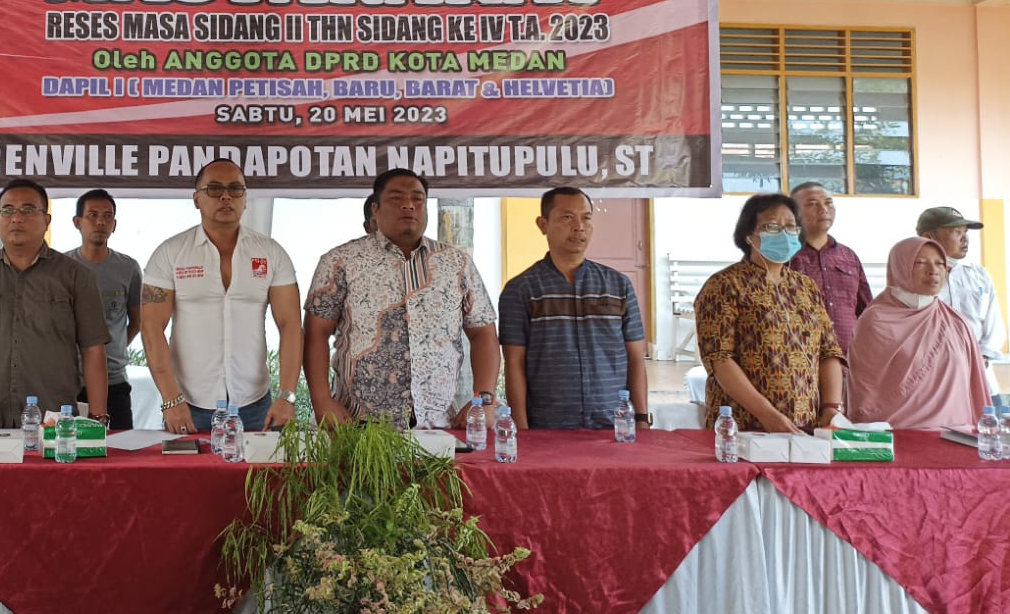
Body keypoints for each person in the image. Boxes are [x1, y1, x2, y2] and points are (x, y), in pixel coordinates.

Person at [305, 169, 498, 429]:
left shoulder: (456, 263)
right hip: (358, 425)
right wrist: (321, 401)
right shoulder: (341, 261)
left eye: (417, 198)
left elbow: (483, 332)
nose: (408, 205)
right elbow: (315, 334)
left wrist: (484, 399)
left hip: (436, 425)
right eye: (396, 198)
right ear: (375, 209)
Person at [141, 160, 302, 435]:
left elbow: (290, 326)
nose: (226, 197)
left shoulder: (272, 253)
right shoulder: (170, 253)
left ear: (245, 199)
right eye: (214, 189)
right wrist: (170, 399)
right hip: (188, 404)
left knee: (260, 467)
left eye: (235, 189)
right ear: (196, 199)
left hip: (255, 404)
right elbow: (151, 327)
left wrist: (287, 395)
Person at [0, 179, 109, 429]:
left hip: (53, 426)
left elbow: (93, 350)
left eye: (28, 209)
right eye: (7, 210)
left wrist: (98, 419)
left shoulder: (76, 277)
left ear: (46, 221)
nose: (16, 218)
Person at [498, 187, 648, 429]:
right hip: (547, 427)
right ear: (543, 225)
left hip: (614, 425)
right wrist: (522, 429)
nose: (579, 227)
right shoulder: (521, 289)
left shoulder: (618, 285)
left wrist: (641, 419)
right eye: (567, 217)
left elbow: (635, 357)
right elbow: (514, 363)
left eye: (586, 218)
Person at [695, 193, 845, 433]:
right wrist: (767, 415)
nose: (784, 234)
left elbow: (829, 351)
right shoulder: (725, 285)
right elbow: (719, 358)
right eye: (772, 227)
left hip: (806, 425)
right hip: (743, 426)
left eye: (791, 227)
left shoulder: (805, 287)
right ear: (748, 235)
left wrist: (830, 407)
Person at [846, 237, 989, 430]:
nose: (933, 271)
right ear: (900, 268)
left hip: (953, 436)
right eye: (920, 263)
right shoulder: (876, 321)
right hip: (894, 438)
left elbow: (973, 388)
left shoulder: (956, 323)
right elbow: (865, 391)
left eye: (940, 264)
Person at [66, 188, 142, 431]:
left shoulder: (128, 268)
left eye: (107, 216)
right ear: (78, 222)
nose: (100, 222)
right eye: (93, 215)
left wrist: (115, 346)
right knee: (69, 447)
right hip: (70, 381)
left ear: (114, 225)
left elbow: (137, 321)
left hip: (114, 381)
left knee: (120, 448)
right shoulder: (62, 267)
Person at [917, 206, 1007, 374]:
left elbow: (995, 324)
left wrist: (982, 357)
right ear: (929, 237)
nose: (965, 238)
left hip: (979, 371)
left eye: (965, 232)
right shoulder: (913, 277)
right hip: (933, 375)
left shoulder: (979, 274)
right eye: (957, 232)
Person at [787, 181, 873, 357]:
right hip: (800, 361)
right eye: (812, 204)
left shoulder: (848, 256)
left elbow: (867, 312)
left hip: (849, 360)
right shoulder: (783, 257)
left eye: (828, 203)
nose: (823, 209)